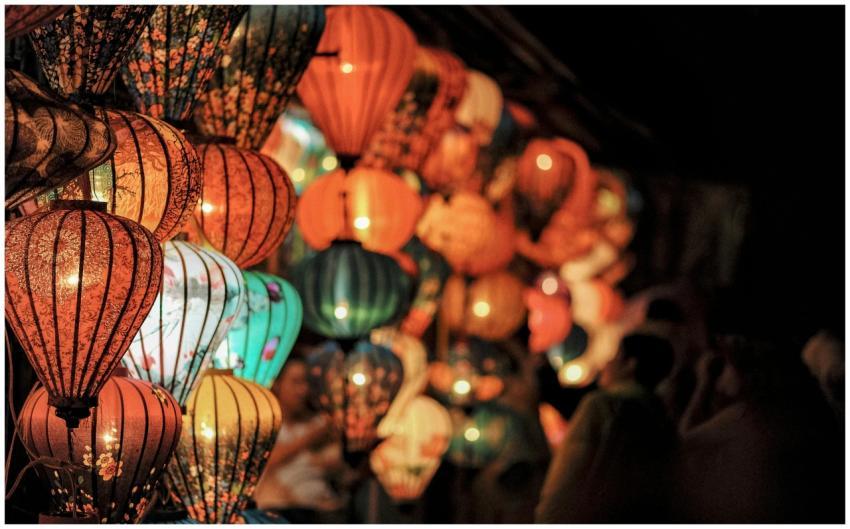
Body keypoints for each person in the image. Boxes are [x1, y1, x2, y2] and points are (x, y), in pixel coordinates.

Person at [674, 334, 844, 523]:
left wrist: (703, 383)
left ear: (744, 374)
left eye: (726, 368)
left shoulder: (748, 414)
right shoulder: (795, 409)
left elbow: (685, 438)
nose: (720, 379)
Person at [535, 334, 676, 523]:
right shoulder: (661, 420)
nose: (607, 362)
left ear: (630, 364)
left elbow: (569, 478)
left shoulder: (602, 406)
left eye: (616, 355)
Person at [253, 354, 347, 523]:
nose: (303, 390)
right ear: (277, 384)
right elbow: (268, 459)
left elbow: (340, 468)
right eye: (296, 382)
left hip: (325, 511)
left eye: (307, 383)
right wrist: (310, 438)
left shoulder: (319, 423)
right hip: (283, 514)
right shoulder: (265, 426)